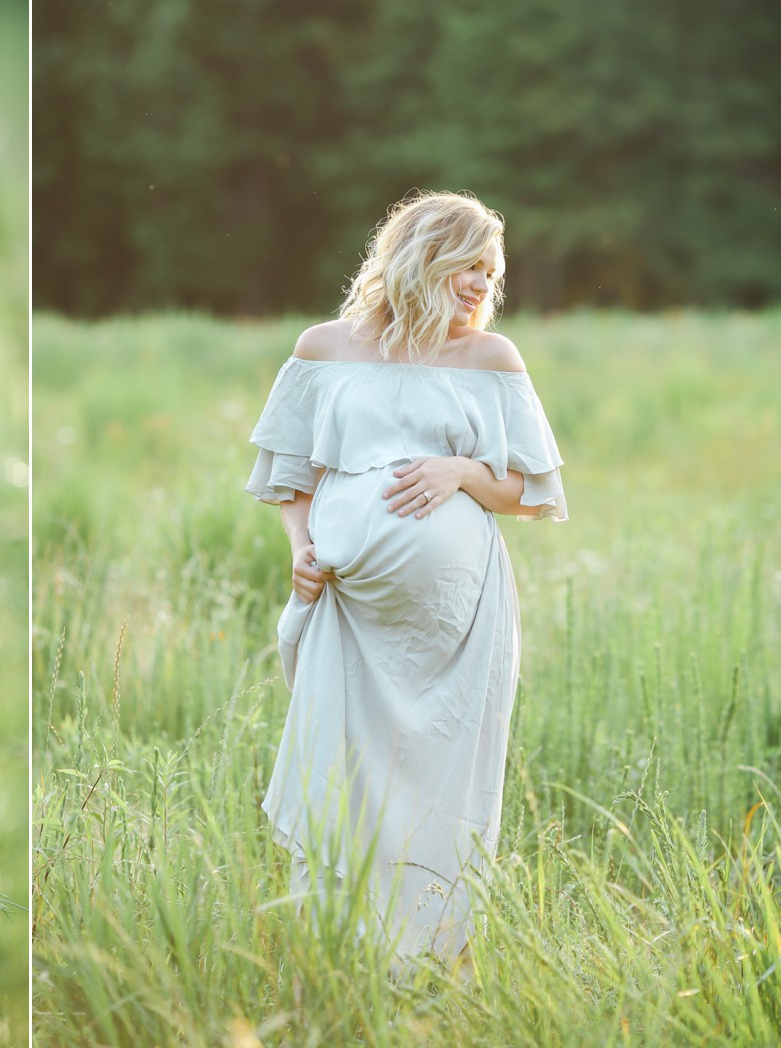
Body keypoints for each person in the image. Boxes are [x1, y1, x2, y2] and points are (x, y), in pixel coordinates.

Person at [244, 190, 567, 963]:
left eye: (491, 273)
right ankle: (344, 953)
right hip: (351, 613)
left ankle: (439, 961)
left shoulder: (491, 359)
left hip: (457, 627)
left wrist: (461, 471)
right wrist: (300, 546)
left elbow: (536, 492)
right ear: (423, 254)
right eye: (470, 266)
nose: (483, 285)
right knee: (346, 776)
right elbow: (291, 476)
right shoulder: (325, 348)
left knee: (443, 786)